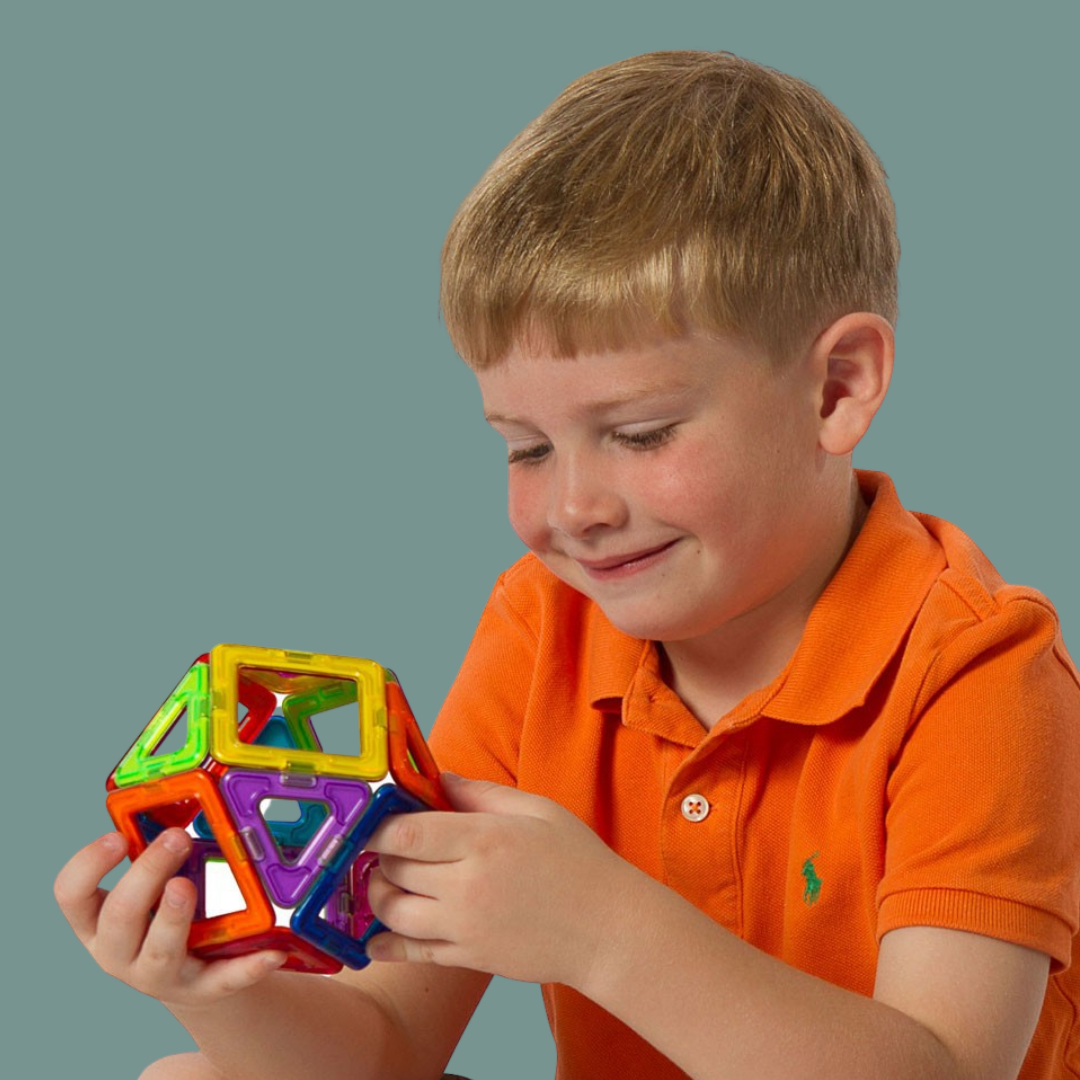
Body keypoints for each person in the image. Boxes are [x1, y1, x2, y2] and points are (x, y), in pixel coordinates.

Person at [54, 51, 1080, 1080]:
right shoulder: (543, 623)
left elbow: (944, 1068)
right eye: (527, 448)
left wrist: (601, 929)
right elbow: (392, 1045)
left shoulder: (981, 667)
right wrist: (213, 989)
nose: (575, 510)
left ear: (835, 390)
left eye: (640, 432)